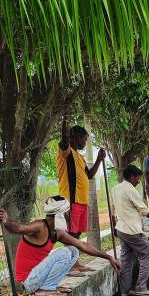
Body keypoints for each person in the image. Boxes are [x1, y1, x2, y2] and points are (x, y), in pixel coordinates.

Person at [0, 196, 121, 296]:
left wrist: (109, 257)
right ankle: (46, 288)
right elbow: (18, 228)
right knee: (64, 252)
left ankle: (50, 285)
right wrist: (5, 221)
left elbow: (83, 245)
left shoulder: (58, 232)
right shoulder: (39, 226)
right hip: (28, 281)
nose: (68, 216)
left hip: (38, 276)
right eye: (67, 213)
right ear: (60, 214)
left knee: (73, 251)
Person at [57, 115, 105, 272]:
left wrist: (98, 159)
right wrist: (65, 119)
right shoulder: (66, 152)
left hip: (81, 201)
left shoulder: (80, 157)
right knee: (70, 234)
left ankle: (74, 262)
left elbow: (89, 175)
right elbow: (64, 139)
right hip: (70, 200)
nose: (85, 142)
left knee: (76, 234)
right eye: (83, 139)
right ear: (75, 137)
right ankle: (70, 265)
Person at [111, 165, 149, 296]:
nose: (138, 181)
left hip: (122, 229)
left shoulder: (115, 189)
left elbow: (112, 210)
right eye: (137, 178)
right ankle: (141, 287)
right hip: (132, 229)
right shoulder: (130, 190)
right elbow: (144, 210)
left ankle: (124, 290)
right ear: (131, 177)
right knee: (146, 252)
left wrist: (114, 227)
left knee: (126, 260)